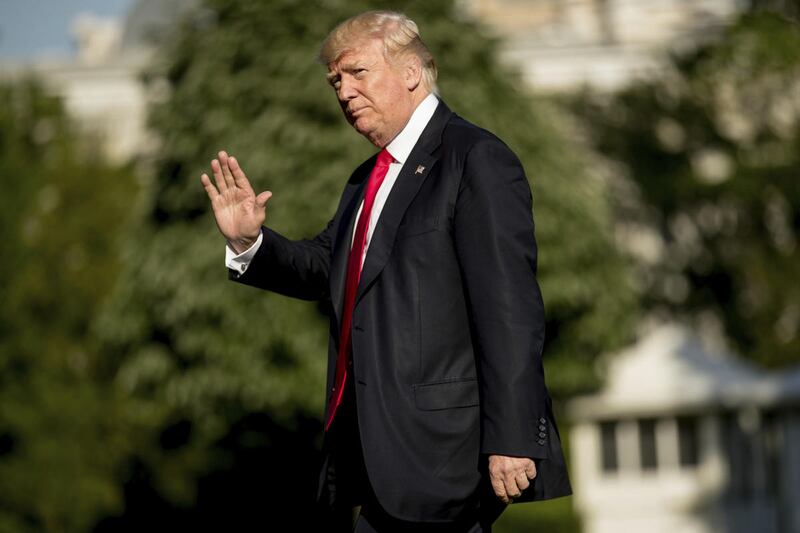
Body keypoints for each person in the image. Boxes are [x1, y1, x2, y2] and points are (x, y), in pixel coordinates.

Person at [200, 10, 571, 532]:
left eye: (357, 73)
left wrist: (511, 438)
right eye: (335, 80)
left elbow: (510, 310)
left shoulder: (475, 158)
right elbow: (326, 267)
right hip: (373, 458)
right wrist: (249, 243)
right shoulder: (365, 180)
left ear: (412, 72)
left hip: (445, 456)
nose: (344, 91)